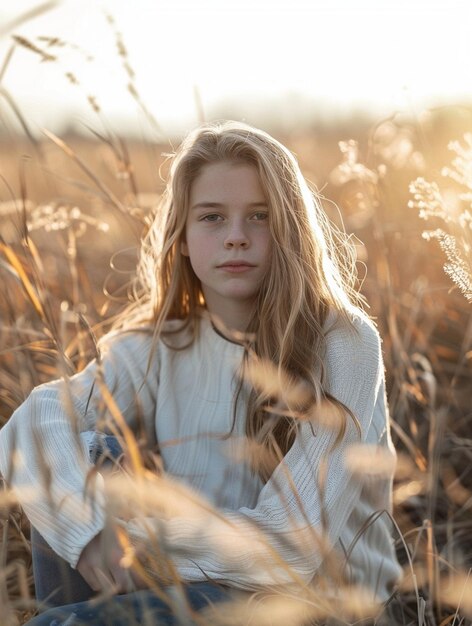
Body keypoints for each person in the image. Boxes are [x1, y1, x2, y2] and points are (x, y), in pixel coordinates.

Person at [0, 121, 402, 625]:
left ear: (290, 230)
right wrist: (88, 532)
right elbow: (30, 426)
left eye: (260, 216)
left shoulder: (343, 342)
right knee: (87, 451)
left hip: (312, 603)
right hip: (191, 578)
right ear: (183, 238)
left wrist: (137, 543)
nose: (236, 237)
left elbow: (293, 547)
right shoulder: (154, 344)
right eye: (212, 217)